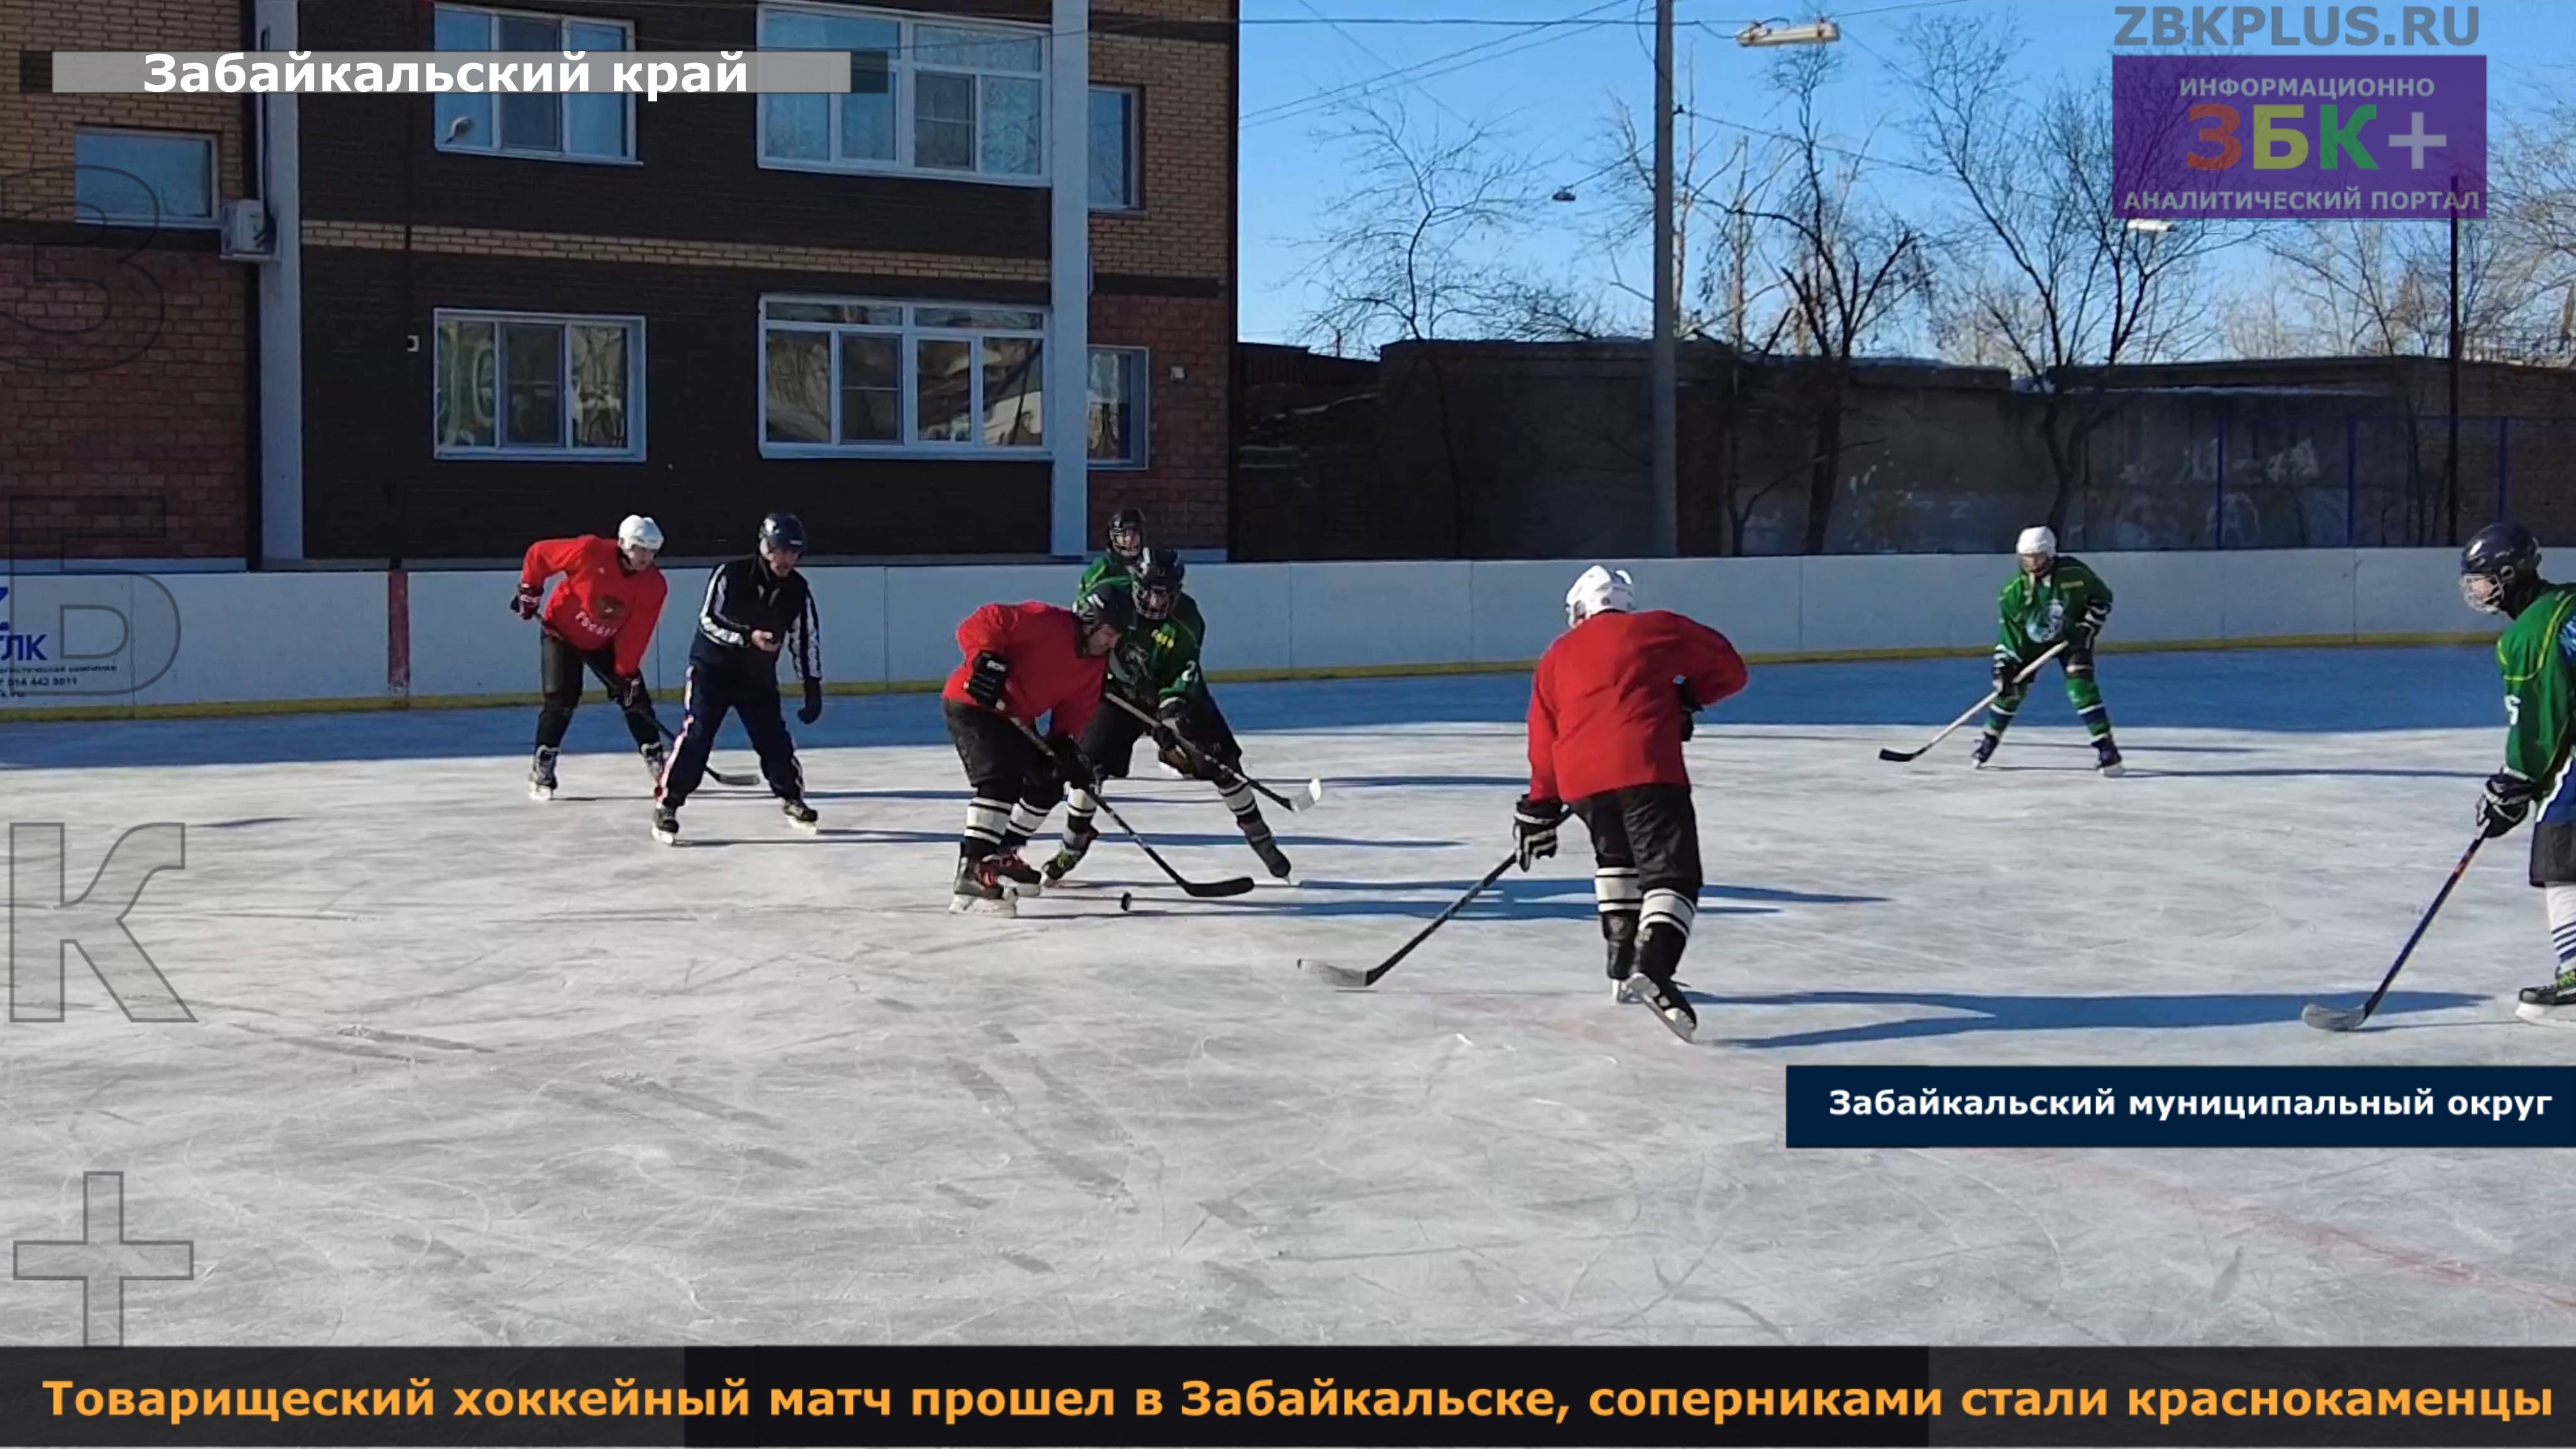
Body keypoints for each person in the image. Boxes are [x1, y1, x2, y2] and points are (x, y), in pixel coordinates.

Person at [1514, 565, 1747, 1041]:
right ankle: (1654, 968)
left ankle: (1622, 970)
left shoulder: (1556, 655)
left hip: (1582, 782)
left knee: (1617, 861)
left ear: (1578, 609)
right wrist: (1686, 698)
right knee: (1672, 874)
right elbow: (1730, 669)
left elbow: (1543, 737)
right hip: (1647, 769)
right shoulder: (1658, 627)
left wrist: (1540, 807)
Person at [1046, 548, 1289, 884]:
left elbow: (1181, 678)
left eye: (1166, 595)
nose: (1158, 603)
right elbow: (1078, 639)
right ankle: (1073, 846)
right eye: (1150, 593)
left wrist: (1169, 718)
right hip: (1118, 696)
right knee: (1086, 768)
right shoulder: (1110, 598)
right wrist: (1089, 677)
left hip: (1173, 696)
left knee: (1222, 764)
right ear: (1136, 584)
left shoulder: (1188, 621)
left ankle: (1261, 839)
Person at [942, 584, 1134, 916]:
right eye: (1110, 632)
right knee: (999, 781)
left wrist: (1065, 747)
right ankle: (973, 868)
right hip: (973, 704)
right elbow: (981, 621)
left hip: (1015, 715)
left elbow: (1075, 710)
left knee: (1047, 781)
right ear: (1090, 620)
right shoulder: (1048, 622)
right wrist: (987, 657)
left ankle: (1002, 853)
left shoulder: (1093, 665)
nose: (1113, 642)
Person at [2460, 523, 2576, 1025]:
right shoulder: (2567, 602)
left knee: (2561, 854)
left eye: (2483, 579)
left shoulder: (2528, 636)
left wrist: (2517, 779)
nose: (2477, 589)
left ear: (2510, 576)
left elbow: (2541, 718)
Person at [653, 513, 823, 845]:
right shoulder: (731, 574)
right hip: (712, 670)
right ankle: (668, 804)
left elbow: (805, 639)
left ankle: (792, 798)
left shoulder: (798, 589)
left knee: (774, 739)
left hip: (756, 677)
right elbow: (709, 621)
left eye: (794, 552)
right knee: (698, 735)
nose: (787, 559)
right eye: (781, 550)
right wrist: (749, 638)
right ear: (765, 546)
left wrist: (812, 687)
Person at [514, 515, 668, 799]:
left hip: (606, 641)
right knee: (561, 697)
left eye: (651, 550)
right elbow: (540, 554)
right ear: (623, 544)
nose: (645, 557)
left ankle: (658, 764)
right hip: (561, 632)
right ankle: (543, 764)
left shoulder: (653, 585)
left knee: (635, 699)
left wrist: (626, 672)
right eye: (639, 548)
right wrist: (530, 591)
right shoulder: (589, 551)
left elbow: (638, 631)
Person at [1974, 526, 2123, 775]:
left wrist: (2087, 627)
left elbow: (2102, 598)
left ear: (2051, 554)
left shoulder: (2074, 573)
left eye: (2038, 557)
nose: (2032, 563)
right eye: (2026, 557)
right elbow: (2010, 638)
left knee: (2081, 686)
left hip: (2071, 638)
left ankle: (2107, 748)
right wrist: (2004, 667)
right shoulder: (2013, 593)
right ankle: (1990, 739)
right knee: (2011, 690)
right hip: (2032, 644)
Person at [1077, 509, 1148, 600]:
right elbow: (1082, 601)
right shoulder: (1103, 566)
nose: (1130, 539)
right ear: (1113, 537)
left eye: (1135, 533)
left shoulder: (1152, 564)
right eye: (1123, 535)